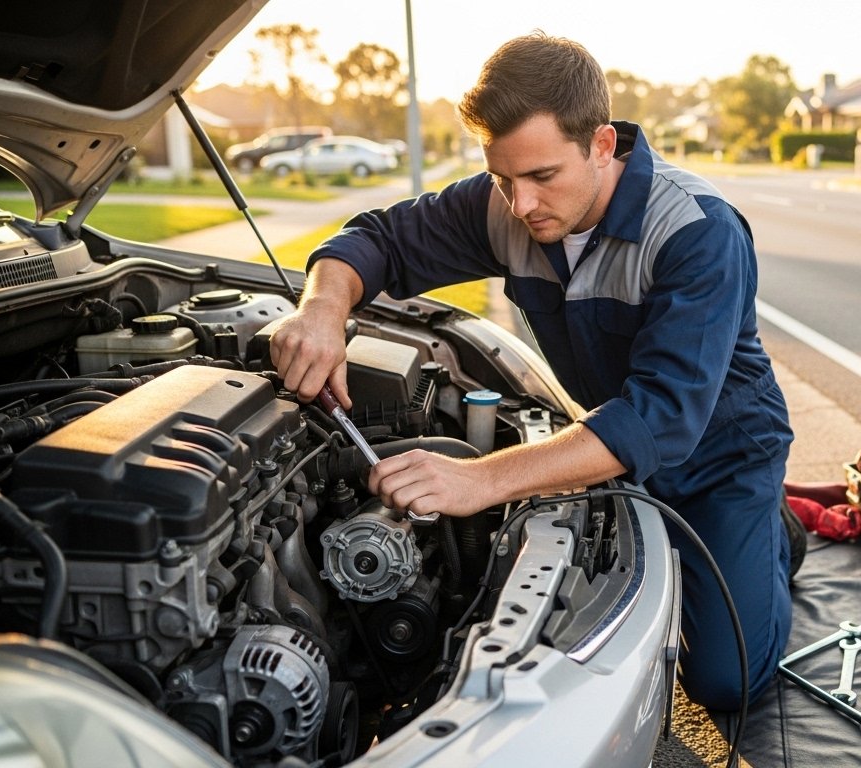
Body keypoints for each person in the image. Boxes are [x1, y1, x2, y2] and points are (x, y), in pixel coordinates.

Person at [267, 31, 797, 711]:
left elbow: (660, 419)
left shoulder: (697, 230)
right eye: (502, 178)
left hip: (721, 458)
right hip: (612, 447)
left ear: (602, 145)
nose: (520, 206)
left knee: (728, 683)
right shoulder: (511, 205)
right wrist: (321, 309)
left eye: (543, 176)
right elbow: (377, 239)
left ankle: (774, 529)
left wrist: (478, 480)